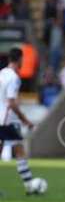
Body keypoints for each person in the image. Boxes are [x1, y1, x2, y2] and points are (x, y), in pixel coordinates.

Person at [0, 47, 35, 194]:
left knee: (12, 148)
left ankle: (29, 185)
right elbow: (11, 102)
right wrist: (25, 119)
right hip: (6, 120)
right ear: (20, 59)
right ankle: (29, 185)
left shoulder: (2, 73)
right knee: (20, 150)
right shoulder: (14, 78)